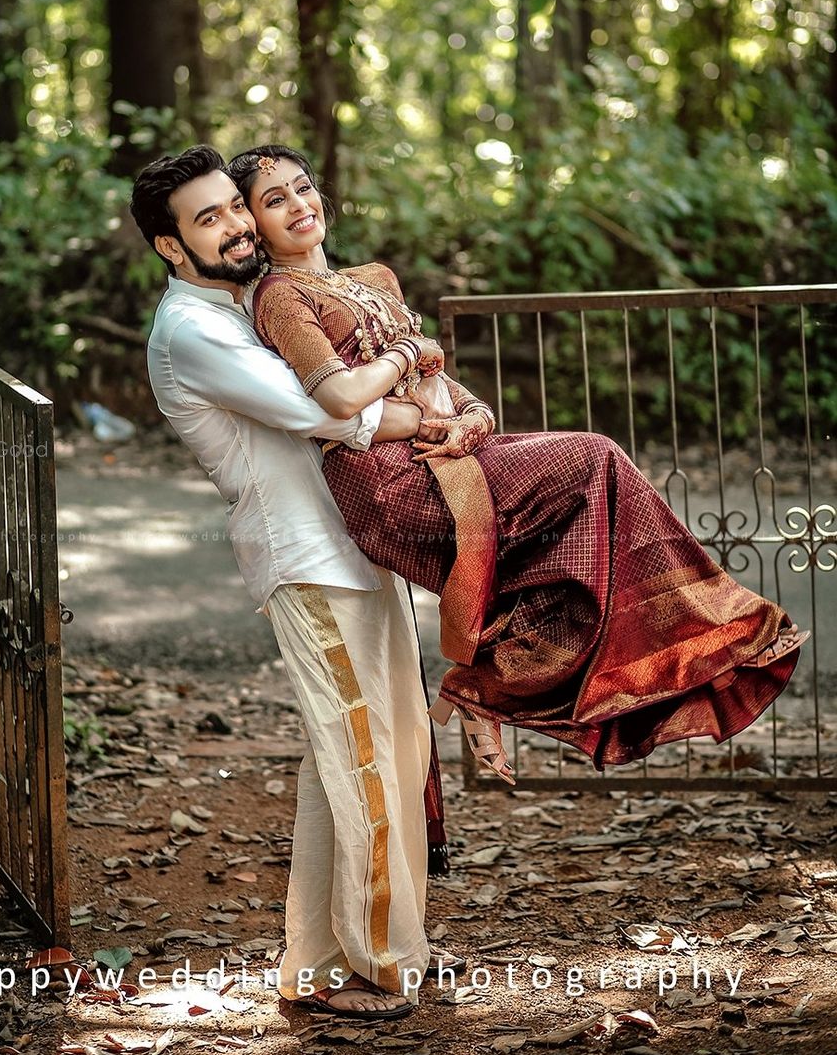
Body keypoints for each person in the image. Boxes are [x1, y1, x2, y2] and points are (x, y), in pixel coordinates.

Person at [226, 143, 808, 782]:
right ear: (254, 224)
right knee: (593, 459)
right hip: (388, 476)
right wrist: (409, 365)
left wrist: (472, 415)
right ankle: (704, 632)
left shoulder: (374, 279)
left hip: (451, 444)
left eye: (302, 189)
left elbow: (439, 377)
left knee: (581, 527)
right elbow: (337, 397)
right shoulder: (279, 298)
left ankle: (495, 680)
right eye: (273, 200)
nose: (298, 206)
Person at [131, 145, 465, 1022]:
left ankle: (315, 966)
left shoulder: (244, 304)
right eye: (208, 219)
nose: (237, 224)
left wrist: (424, 401)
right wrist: (418, 387)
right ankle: (379, 965)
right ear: (170, 247)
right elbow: (327, 410)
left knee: (369, 758)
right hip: (309, 564)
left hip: (358, 546)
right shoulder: (192, 331)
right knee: (366, 764)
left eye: (233, 208)